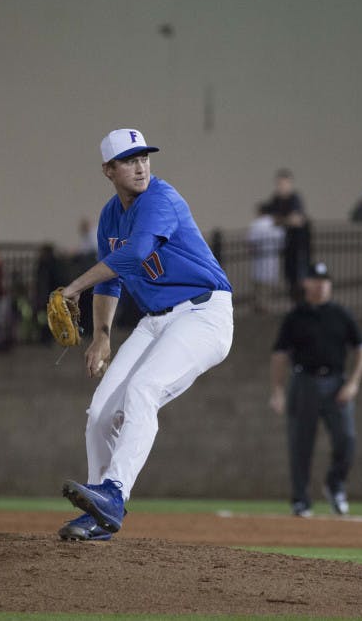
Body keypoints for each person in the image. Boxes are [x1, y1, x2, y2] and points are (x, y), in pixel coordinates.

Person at [55, 128, 234, 541]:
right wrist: (101, 335)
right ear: (108, 170)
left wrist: (73, 286)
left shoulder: (161, 199)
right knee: (100, 414)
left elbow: (134, 256)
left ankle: (114, 494)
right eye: (129, 160)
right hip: (155, 321)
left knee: (143, 390)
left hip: (203, 314)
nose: (140, 166)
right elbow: (111, 282)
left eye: (144, 158)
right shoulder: (110, 216)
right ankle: (98, 514)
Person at [269, 261, 362, 517]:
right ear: (306, 283)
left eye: (325, 281)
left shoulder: (341, 314)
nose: (321, 285)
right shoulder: (295, 316)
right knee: (300, 443)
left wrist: (353, 382)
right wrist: (278, 390)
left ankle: (335, 485)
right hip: (304, 383)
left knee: (346, 439)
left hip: (337, 383)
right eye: (315, 280)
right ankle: (301, 500)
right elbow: (280, 354)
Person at [266, 169, 311, 302]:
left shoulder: (295, 199)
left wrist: (282, 220)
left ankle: (302, 302)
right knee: (290, 277)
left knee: (301, 276)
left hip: (300, 245)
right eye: (279, 184)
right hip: (287, 246)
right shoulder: (275, 199)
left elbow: (297, 220)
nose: (282, 187)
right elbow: (271, 218)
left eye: (284, 183)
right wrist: (286, 220)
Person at [246, 201, 285, 313]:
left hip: (258, 259)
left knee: (258, 285)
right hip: (272, 259)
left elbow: (251, 243)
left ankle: (259, 305)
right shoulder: (275, 225)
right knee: (268, 285)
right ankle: (267, 306)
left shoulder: (256, 224)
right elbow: (281, 243)